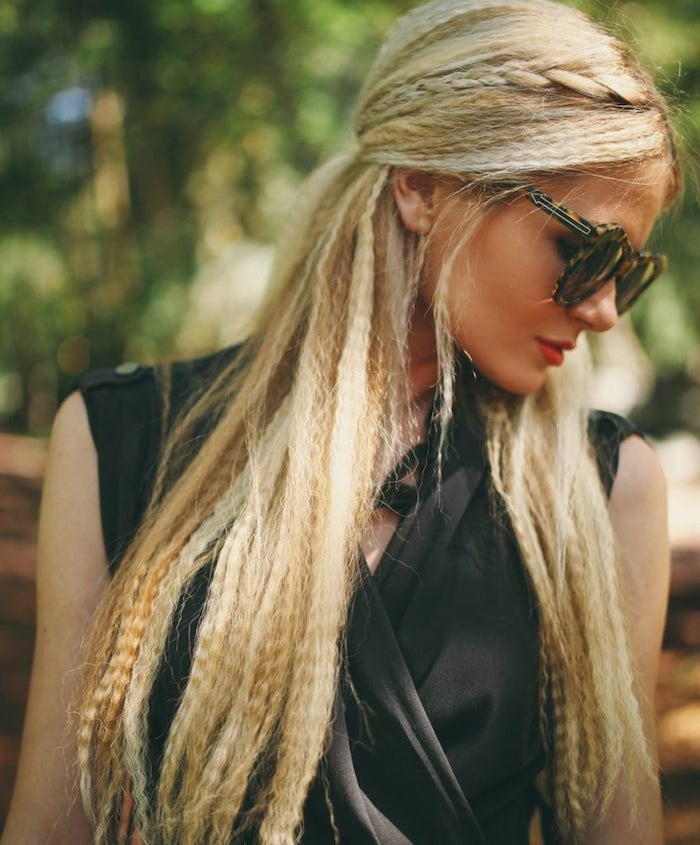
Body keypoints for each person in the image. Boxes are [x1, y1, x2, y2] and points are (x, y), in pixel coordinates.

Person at [2, 0, 681, 843]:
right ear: (422, 189)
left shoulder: (606, 487)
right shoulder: (126, 437)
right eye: (588, 253)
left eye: (632, 271)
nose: (608, 309)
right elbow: (55, 822)